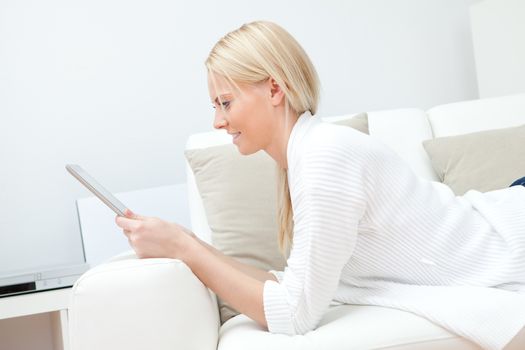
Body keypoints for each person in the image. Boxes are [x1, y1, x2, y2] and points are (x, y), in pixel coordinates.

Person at [115, 21, 525, 350]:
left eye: (225, 102)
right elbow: (293, 287)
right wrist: (188, 242)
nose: (217, 122)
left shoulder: (323, 156)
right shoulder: (306, 156)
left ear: (274, 89)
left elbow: (293, 314)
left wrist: (184, 248)